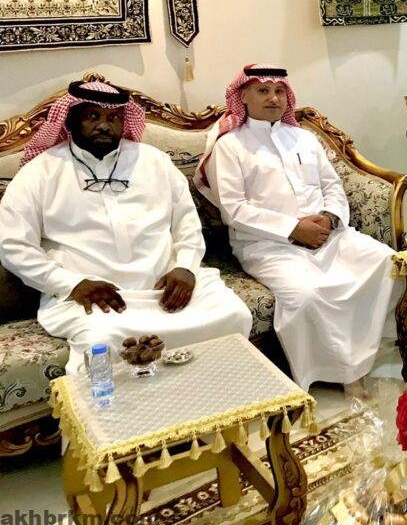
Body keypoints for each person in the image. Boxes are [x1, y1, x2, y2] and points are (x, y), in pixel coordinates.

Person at [0, 81, 252, 373]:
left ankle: (218, 397)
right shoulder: (40, 172)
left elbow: (186, 220)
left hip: (165, 285)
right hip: (96, 297)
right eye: (92, 116)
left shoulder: (154, 161)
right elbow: (13, 245)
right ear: (70, 120)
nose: (104, 125)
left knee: (234, 314)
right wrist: (70, 284)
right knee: (101, 341)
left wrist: (185, 266)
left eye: (114, 117)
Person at [195, 64, 399, 389]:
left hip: (329, 236)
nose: (273, 98)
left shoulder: (305, 138)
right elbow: (234, 210)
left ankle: (370, 355)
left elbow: (332, 186)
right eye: (263, 91)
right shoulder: (229, 146)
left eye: (279, 91)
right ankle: (325, 374)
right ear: (243, 96)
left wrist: (330, 218)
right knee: (305, 295)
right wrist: (293, 228)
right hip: (267, 245)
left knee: (388, 262)